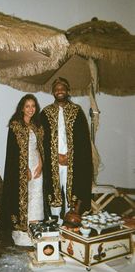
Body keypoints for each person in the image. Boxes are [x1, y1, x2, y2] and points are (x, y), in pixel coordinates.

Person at [40, 77, 93, 225]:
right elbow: (41, 140)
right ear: (53, 92)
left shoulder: (77, 111)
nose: (59, 91)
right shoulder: (45, 113)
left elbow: (83, 140)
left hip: (72, 162)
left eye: (62, 88)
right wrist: (54, 157)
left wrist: (71, 157)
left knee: (71, 194)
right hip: (53, 162)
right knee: (55, 194)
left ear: (67, 90)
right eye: (56, 89)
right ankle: (55, 224)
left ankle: (70, 225)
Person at [0, 94, 45, 246]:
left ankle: (34, 228)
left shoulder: (37, 126)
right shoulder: (15, 126)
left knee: (36, 197)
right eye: (27, 106)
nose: (31, 109)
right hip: (20, 168)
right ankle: (22, 233)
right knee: (23, 198)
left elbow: (39, 148)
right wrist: (23, 169)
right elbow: (12, 152)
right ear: (22, 108)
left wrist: (40, 164)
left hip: (36, 165)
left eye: (33, 106)